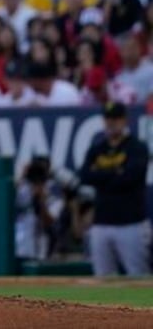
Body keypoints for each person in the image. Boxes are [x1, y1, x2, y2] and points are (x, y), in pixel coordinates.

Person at [79, 102, 151, 276]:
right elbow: (85, 176)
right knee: (102, 277)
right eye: (108, 118)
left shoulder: (136, 147)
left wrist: (101, 175)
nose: (111, 123)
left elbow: (130, 178)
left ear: (125, 120)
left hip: (131, 224)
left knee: (137, 275)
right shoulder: (97, 148)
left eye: (115, 119)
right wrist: (115, 173)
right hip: (101, 222)